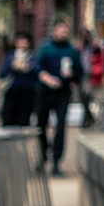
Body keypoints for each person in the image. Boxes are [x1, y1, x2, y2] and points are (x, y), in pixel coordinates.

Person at [35, 19, 82, 175]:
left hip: (63, 92)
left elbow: (80, 74)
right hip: (45, 92)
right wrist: (48, 79)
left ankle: (56, 161)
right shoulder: (46, 49)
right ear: (54, 31)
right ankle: (42, 155)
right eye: (61, 30)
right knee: (41, 124)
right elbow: (38, 69)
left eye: (66, 31)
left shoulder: (72, 51)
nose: (63, 33)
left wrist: (71, 76)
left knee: (60, 126)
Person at [0, 33, 39, 127]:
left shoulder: (33, 57)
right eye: (20, 41)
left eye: (24, 42)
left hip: (28, 91)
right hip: (12, 90)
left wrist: (28, 68)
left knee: (24, 119)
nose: (22, 44)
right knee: (8, 118)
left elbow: (38, 71)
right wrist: (12, 66)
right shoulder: (10, 56)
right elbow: (2, 73)